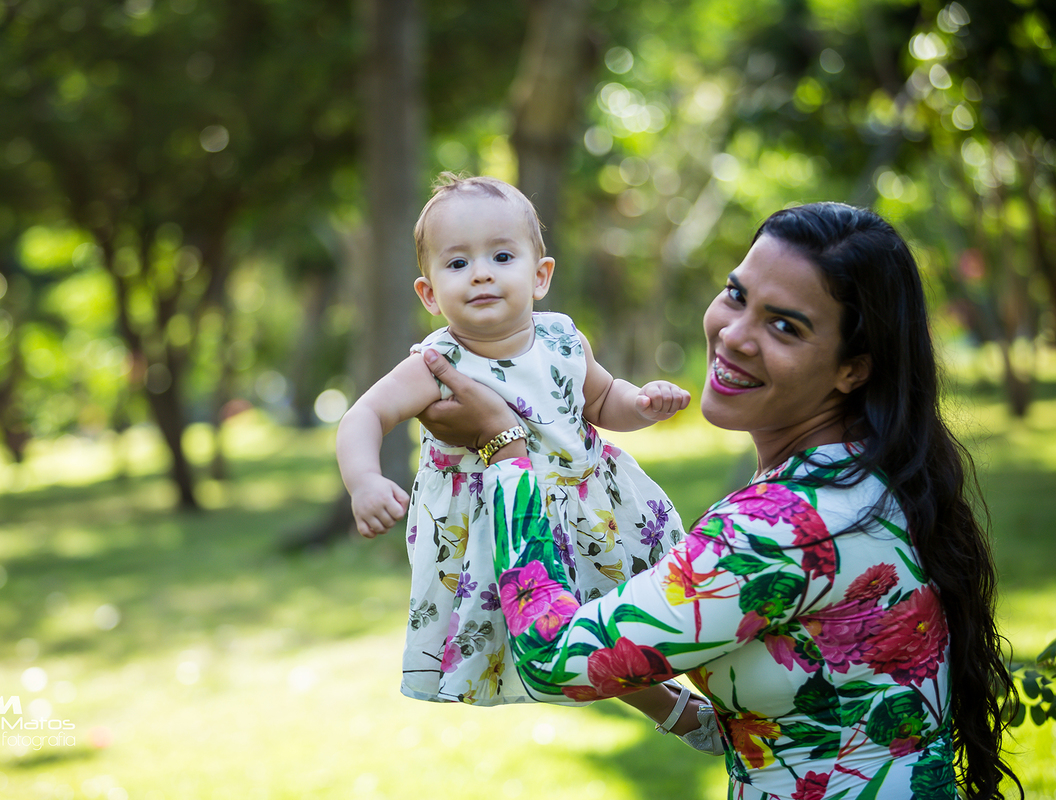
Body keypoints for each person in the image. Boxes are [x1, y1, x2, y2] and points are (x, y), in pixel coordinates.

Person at [416, 202, 1022, 798]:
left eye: (785, 326)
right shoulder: (873, 475)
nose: (734, 335)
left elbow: (555, 657)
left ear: (853, 369)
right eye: (736, 295)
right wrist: (689, 717)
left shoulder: (780, 529)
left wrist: (503, 447)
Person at [336, 174, 695, 711]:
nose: (481, 273)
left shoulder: (562, 338)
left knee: (623, 621)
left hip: (590, 510)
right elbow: (364, 414)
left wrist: (641, 404)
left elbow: (600, 400)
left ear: (540, 275)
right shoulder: (436, 363)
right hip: (499, 529)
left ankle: (702, 700)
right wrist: (364, 480)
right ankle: (675, 711)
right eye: (458, 263)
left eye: (502, 256)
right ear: (429, 294)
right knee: (558, 643)